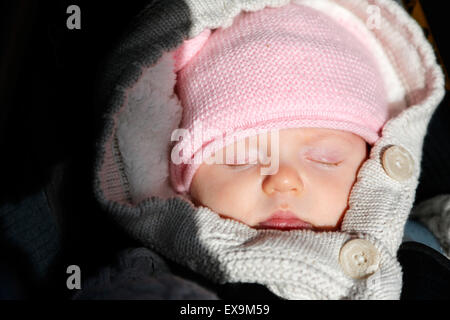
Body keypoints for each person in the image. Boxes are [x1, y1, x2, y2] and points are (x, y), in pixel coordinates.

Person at [76, 0, 448, 299]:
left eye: (326, 158)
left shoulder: (414, 241)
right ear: (181, 180)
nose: (283, 180)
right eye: (241, 158)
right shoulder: (167, 270)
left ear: (373, 168)